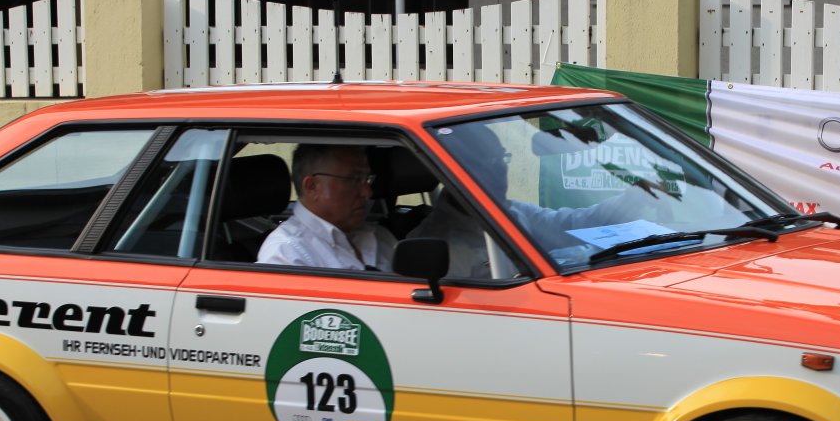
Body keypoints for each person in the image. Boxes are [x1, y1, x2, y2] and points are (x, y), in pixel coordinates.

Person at [416, 121, 659, 278]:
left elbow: (575, 224)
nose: (500, 169)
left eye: (502, 158)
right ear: (457, 171)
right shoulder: (441, 245)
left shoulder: (511, 213)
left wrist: (636, 197)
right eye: (488, 162)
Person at [257, 143, 396, 271]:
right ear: (311, 187)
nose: (367, 192)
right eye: (353, 180)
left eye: (367, 179)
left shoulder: (379, 236)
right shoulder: (286, 253)